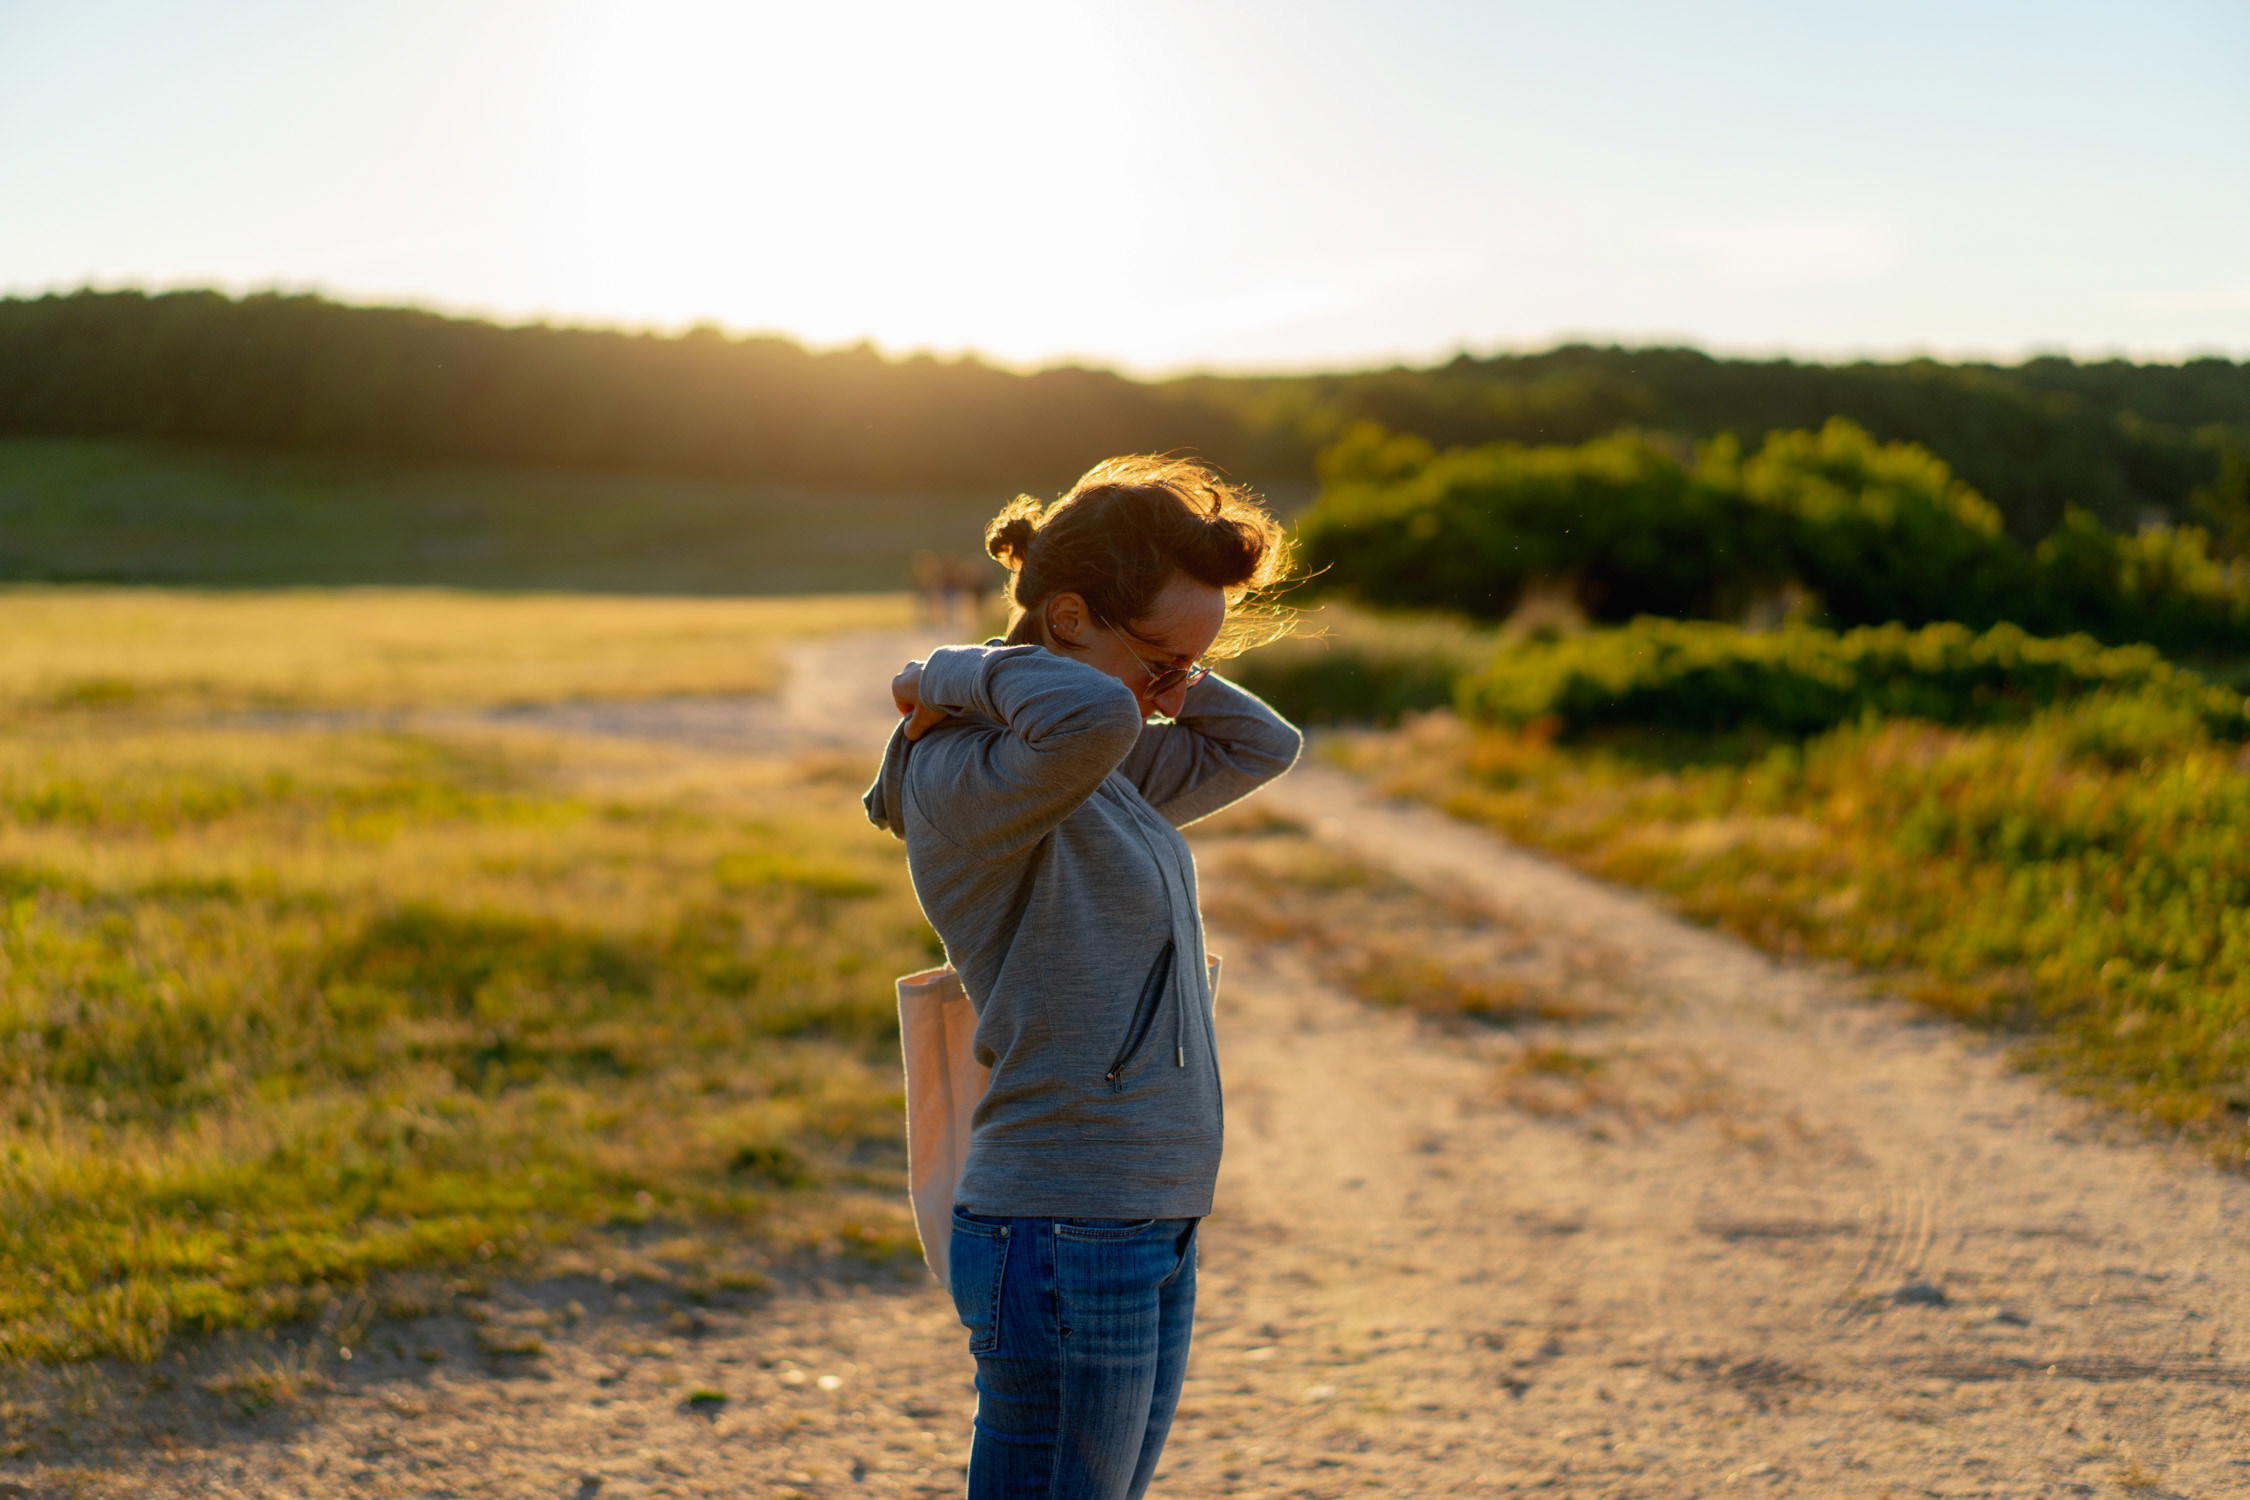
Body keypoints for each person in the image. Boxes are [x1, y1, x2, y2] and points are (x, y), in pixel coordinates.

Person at [861, 453, 1310, 1499]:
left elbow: (1262, 743)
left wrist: (1171, 661)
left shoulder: (1089, 772)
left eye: (1189, 671)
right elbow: (1102, 716)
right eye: (1159, 665)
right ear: (1066, 621)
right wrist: (949, 671)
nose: (1169, 701)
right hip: (1065, 1222)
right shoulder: (974, 772)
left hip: (1141, 1210)